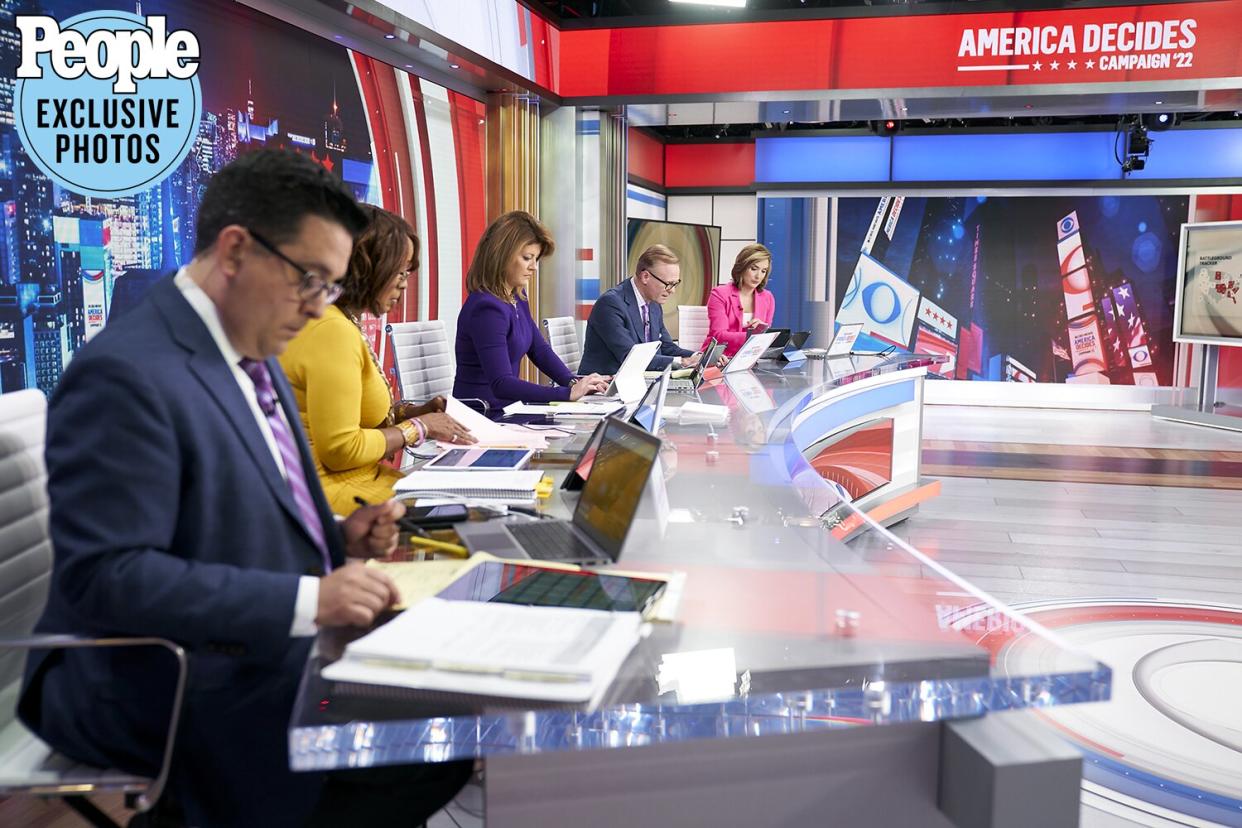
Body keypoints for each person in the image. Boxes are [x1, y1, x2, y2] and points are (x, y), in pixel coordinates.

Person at [19, 150, 471, 826]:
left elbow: (237, 511)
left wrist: (339, 539)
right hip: (154, 678)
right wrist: (311, 597)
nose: (320, 308)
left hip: (239, 645)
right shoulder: (126, 375)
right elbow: (109, 579)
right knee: (430, 745)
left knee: (448, 694)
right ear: (234, 251)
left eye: (332, 287)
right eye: (311, 280)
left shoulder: (248, 348)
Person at [280, 205, 475, 515]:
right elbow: (341, 450)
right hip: (334, 499)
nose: (404, 283)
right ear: (364, 266)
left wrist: (413, 412)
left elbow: (356, 418)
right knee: (473, 510)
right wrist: (420, 427)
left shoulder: (339, 320)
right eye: (399, 271)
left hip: (359, 484)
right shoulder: (331, 330)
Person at [454, 210, 608, 409]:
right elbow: (502, 384)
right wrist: (567, 394)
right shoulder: (487, 308)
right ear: (502, 255)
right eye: (527, 258)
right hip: (482, 415)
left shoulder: (517, 296)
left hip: (507, 409)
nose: (534, 267)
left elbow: (538, 348)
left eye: (536, 259)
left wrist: (572, 382)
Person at [579, 243, 703, 376]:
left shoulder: (654, 304)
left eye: (675, 283)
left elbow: (666, 347)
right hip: (603, 385)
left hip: (638, 382)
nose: (672, 291)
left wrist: (699, 357)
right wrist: (683, 362)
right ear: (645, 277)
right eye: (668, 284)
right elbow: (630, 357)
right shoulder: (610, 304)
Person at [705, 243, 776, 357]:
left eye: (763, 271)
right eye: (754, 269)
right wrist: (753, 335)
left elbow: (764, 339)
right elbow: (718, 335)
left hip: (750, 358)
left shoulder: (768, 298)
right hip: (721, 357)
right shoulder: (719, 294)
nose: (758, 276)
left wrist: (763, 331)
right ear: (742, 267)